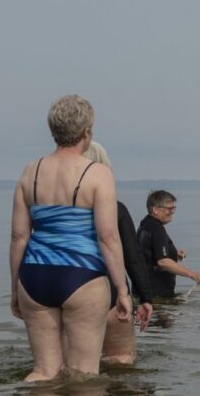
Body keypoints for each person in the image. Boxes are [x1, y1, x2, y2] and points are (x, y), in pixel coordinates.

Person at [10, 95, 132, 381]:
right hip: (82, 276)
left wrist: (15, 289)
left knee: (43, 372)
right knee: (83, 375)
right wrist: (122, 291)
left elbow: (18, 237)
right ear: (86, 132)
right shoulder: (98, 174)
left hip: (35, 275)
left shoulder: (30, 172)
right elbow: (108, 238)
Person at [83, 142, 154, 365]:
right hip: (109, 290)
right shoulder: (115, 208)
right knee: (121, 358)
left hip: (65, 289)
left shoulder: (53, 209)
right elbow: (133, 258)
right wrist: (145, 298)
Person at [137, 189, 200, 302]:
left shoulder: (145, 224)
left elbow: (149, 254)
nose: (172, 212)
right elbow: (163, 262)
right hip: (157, 295)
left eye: (173, 208)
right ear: (155, 210)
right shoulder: (156, 229)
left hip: (143, 292)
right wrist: (192, 274)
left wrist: (174, 253)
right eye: (169, 208)